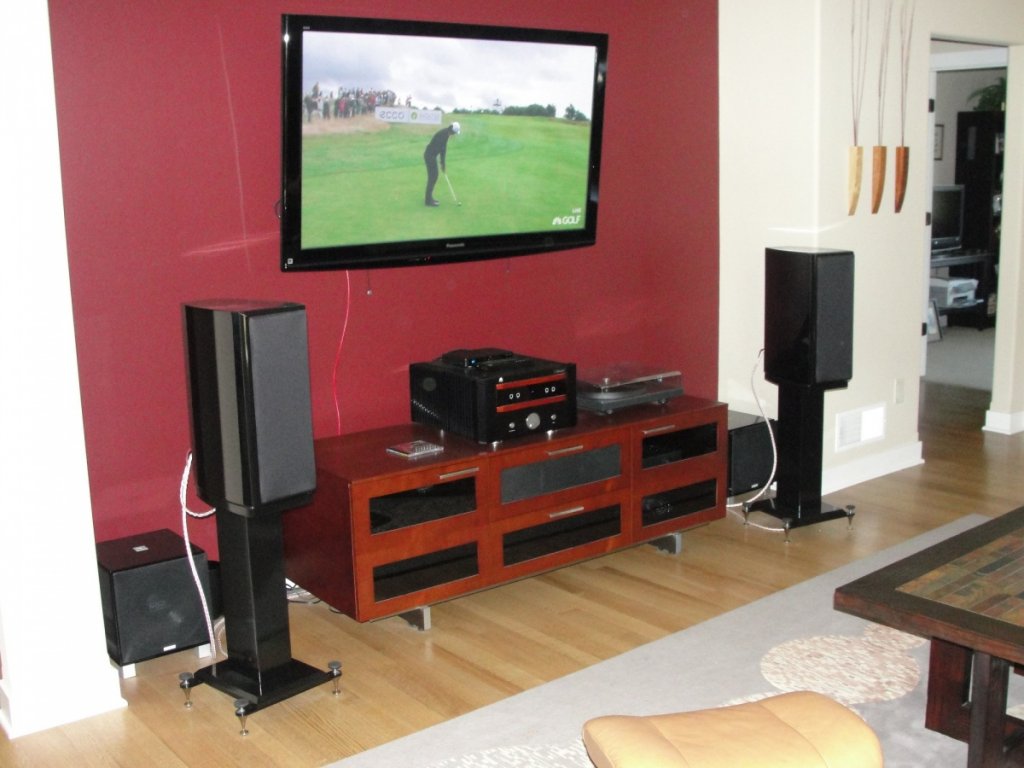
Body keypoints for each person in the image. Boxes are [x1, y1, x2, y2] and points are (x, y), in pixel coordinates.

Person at [423, 122, 460, 206]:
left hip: (431, 156)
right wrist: (442, 163)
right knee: (433, 177)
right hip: (430, 156)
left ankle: (428, 198)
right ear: (453, 131)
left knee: (433, 177)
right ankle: (428, 201)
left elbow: (443, 149)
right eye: (455, 133)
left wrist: (442, 164)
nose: (454, 135)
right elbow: (441, 149)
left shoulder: (446, 134)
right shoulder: (443, 135)